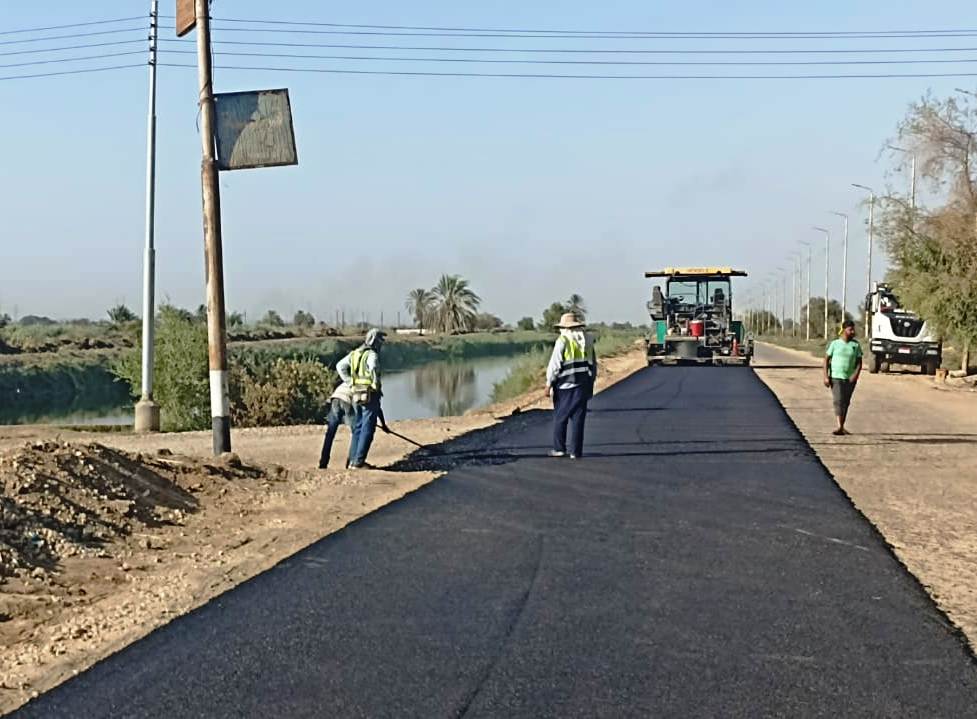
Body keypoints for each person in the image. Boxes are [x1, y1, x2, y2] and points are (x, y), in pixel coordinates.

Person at [546, 312, 597, 459]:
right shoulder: (587, 341)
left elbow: (554, 365)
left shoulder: (563, 341)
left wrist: (548, 384)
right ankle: (576, 451)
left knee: (560, 417)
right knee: (578, 418)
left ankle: (559, 448)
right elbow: (593, 364)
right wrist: (591, 383)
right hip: (582, 385)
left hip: (564, 387)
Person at [338, 328, 389, 469]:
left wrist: (351, 383)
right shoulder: (372, 355)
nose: (381, 343)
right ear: (374, 340)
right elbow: (373, 368)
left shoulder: (354, 354)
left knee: (358, 427)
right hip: (369, 395)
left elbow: (340, 367)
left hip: (356, 394)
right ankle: (359, 462)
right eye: (380, 340)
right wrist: (376, 385)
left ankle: (353, 462)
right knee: (368, 428)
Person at [824, 319, 863, 436]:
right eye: (850, 329)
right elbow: (826, 360)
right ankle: (839, 426)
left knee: (845, 402)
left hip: (850, 379)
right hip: (836, 377)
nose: (852, 331)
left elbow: (859, 362)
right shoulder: (835, 344)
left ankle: (842, 426)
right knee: (838, 400)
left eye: (853, 329)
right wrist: (826, 376)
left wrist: (855, 375)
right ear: (844, 330)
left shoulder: (855, 345)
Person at [317, 378, 357, 470]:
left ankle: (323, 462)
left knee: (330, 433)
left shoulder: (342, 384)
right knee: (356, 432)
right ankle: (351, 461)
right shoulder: (356, 382)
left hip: (335, 399)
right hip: (346, 400)